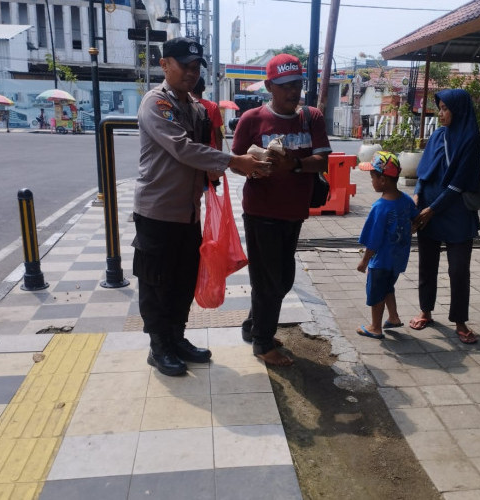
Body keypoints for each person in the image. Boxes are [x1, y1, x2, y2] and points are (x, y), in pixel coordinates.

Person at [133, 37, 271, 377]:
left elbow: (205, 155)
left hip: (188, 213)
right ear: (165, 65)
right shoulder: (157, 104)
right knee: (157, 281)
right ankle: (158, 346)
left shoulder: (195, 109)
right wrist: (234, 162)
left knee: (183, 280)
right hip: (157, 212)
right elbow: (183, 149)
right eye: (185, 66)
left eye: (197, 68)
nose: (192, 73)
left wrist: (246, 159)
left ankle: (177, 338)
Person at [232, 53, 332, 366]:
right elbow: (235, 161)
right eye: (285, 85)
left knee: (280, 278)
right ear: (269, 86)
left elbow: (323, 160)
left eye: (297, 84)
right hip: (261, 211)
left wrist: (296, 164)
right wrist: (253, 167)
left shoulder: (311, 117)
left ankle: (254, 326)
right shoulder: (252, 119)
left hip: (294, 212)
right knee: (270, 280)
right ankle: (262, 343)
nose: (293, 91)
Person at [410, 88, 480, 344]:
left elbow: (459, 183)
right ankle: (425, 311)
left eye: (444, 109)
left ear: (458, 109)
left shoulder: (471, 139)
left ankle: (460, 321)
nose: (440, 114)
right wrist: (418, 197)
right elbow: (424, 172)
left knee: (458, 269)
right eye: (439, 108)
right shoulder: (438, 135)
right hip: (429, 207)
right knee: (426, 264)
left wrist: (432, 209)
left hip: (456, 212)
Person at [356, 151, 418, 340]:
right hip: (398, 259)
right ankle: (394, 317)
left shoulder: (380, 207)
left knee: (376, 294)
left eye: (373, 177)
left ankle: (375, 327)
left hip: (380, 261)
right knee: (388, 286)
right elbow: (415, 221)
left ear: (382, 179)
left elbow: (373, 240)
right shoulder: (406, 200)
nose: (372, 182)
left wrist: (364, 262)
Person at [191, 77, 223, 150]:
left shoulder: (186, 105)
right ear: (203, 89)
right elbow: (217, 133)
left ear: (190, 88)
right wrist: (219, 153)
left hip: (191, 150)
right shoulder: (213, 106)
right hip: (209, 151)